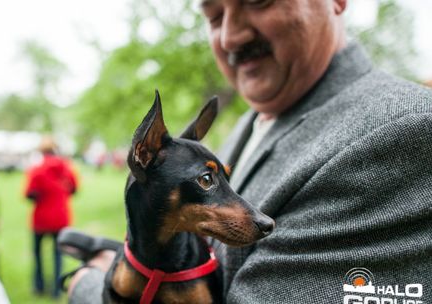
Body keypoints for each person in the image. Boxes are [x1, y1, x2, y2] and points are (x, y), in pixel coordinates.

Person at [66, 0, 432, 303]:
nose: (230, 36)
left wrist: (92, 285)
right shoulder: (250, 122)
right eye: (213, 16)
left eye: (258, 1)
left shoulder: (403, 130)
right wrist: (135, 263)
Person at [24, 136, 79, 298]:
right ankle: (56, 290)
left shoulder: (36, 169)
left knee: (38, 253)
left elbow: (29, 194)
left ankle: (39, 286)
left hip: (40, 219)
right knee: (58, 254)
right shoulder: (67, 168)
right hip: (60, 218)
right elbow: (74, 189)